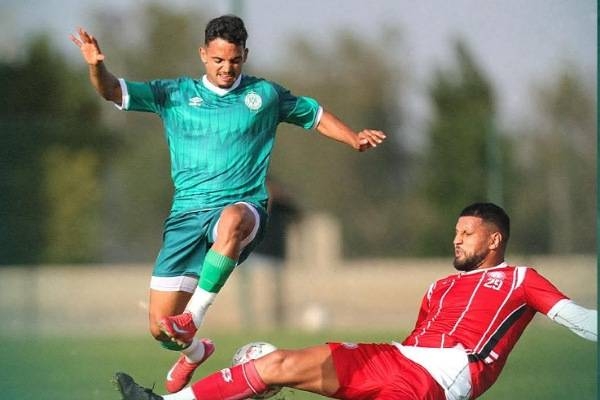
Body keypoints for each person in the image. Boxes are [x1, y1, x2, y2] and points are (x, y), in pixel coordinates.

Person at [70, 14, 386, 394]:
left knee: (234, 218)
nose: (226, 68)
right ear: (203, 54)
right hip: (186, 218)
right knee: (160, 329)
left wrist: (353, 138)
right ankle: (195, 352)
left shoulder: (264, 96)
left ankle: (194, 316)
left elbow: (315, 115)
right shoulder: (173, 94)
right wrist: (96, 66)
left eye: (234, 60)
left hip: (243, 208)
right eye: (218, 60)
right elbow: (111, 91)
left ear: (245, 56)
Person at [114, 202, 597, 400]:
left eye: (467, 233)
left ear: (494, 240)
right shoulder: (439, 287)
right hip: (397, 358)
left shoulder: (521, 279)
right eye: (456, 231)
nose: (457, 239)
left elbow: (576, 317)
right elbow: (415, 338)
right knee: (276, 362)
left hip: (439, 379)